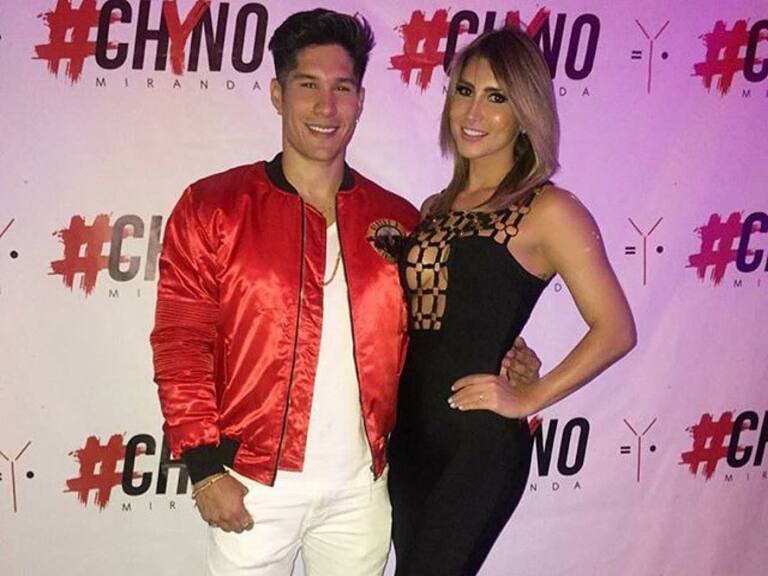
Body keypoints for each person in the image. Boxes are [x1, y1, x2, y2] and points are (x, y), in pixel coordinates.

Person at [150, 9, 540, 576]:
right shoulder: (214, 207)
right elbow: (180, 342)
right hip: (254, 485)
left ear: (360, 101)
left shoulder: (400, 221)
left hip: (364, 491)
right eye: (308, 85)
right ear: (278, 94)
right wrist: (206, 469)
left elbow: (440, 328)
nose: (325, 107)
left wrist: (506, 356)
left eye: (342, 88)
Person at [387, 27, 637, 576]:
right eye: (465, 90)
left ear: (525, 112)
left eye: (496, 97)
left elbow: (616, 329)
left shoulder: (549, 209)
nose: (473, 111)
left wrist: (530, 397)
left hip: (478, 446)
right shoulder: (434, 208)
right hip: (409, 441)